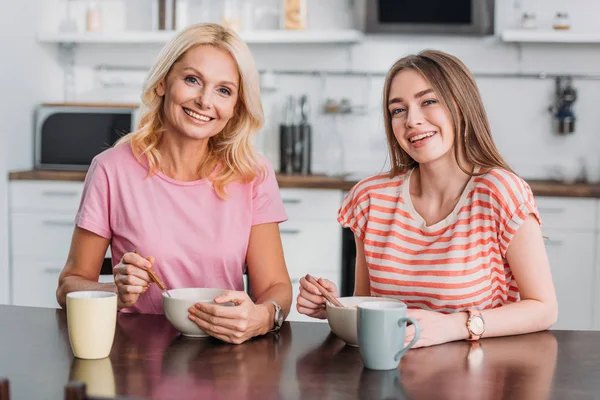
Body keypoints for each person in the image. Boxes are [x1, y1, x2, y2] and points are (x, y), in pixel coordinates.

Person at [296, 50, 558, 348]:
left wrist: (455, 326)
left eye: (428, 102)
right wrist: (332, 307)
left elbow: (543, 308)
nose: (412, 120)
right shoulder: (371, 198)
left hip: (475, 378)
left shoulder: (500, 192)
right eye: (398, 110)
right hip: (387, 375)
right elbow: (367, 304)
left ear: (461, 105)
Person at [56, 23, 292, 344]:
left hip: (225, 353)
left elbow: (275, 288)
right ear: (164, 82)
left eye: (224, 90)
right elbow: (69, 284)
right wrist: (115, 291)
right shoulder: (112, 169)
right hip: (136, 357)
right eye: (192, 80)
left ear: (236, 106)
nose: (205, 101)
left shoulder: (253, 174)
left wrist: (264, 317)